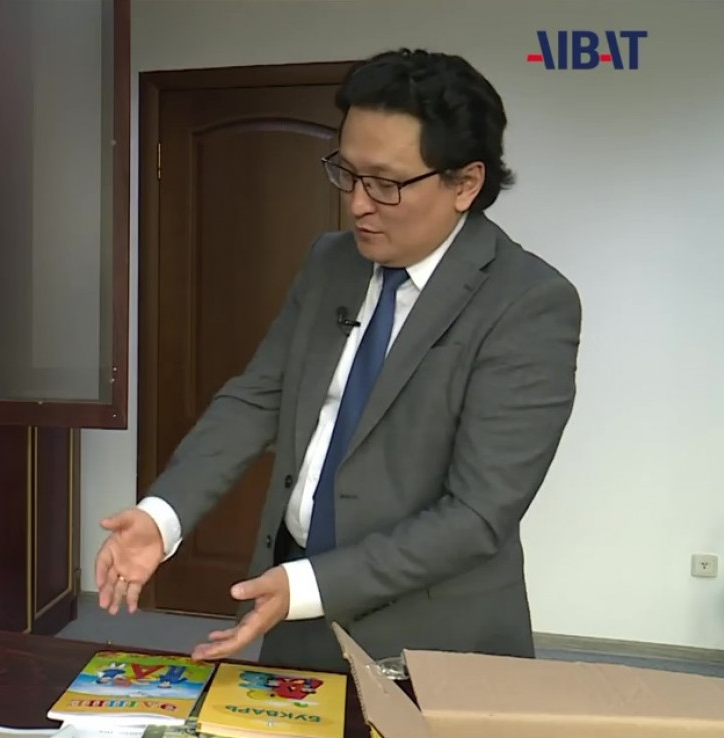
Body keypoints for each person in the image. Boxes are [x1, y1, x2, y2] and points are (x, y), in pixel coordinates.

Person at [95, 47, 582, 673]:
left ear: (465, 183)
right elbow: (257, 397)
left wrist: (308, 585)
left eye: (385, 184)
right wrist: (163, 515)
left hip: (434, 636)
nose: (357, 204)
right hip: (294, 607)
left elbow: (478, 514)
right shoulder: (332, 262)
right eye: (348, 174)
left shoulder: (529, 302)